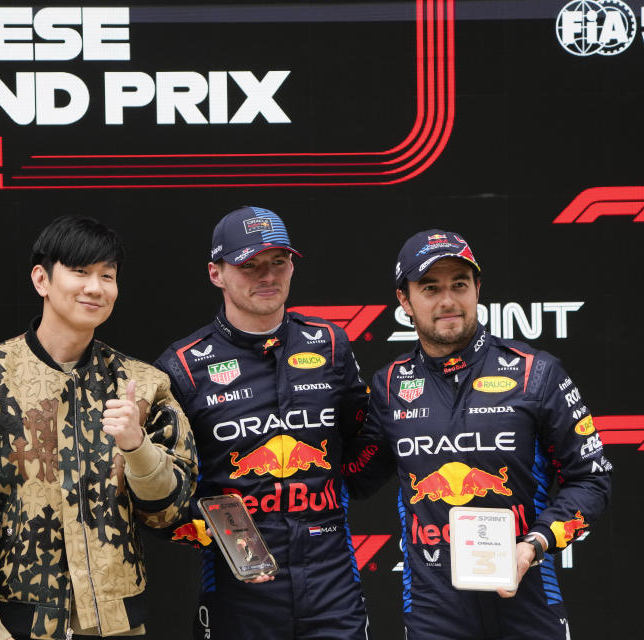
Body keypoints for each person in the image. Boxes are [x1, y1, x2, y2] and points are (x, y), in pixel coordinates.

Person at [0, 216, 197, 640]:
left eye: (108, 275)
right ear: (41, 280)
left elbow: (171, 510)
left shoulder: (142, 383)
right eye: (80, 271)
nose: (95, 287)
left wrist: (137, 447)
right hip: (15, 625)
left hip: (119, 625)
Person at [359, 229, 612, 639]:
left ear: (478, 288)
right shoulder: (388, 388)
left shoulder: (536, 373)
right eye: (430, 287)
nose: (447, 301)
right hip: (433, 613)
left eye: (460, 284)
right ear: (404, 300)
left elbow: (591, 478)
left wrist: (535, 544)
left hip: (530, 603)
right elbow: (354, 477)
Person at [154, 206, 372, 640]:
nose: (267, 276)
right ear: (216, 273)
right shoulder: (181, 367)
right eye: (249, 265)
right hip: (239, 589)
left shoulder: (330, 344)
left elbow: (365, 444)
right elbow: (156, 489)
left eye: (278, 262)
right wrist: (206, 530)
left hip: (331, 581)